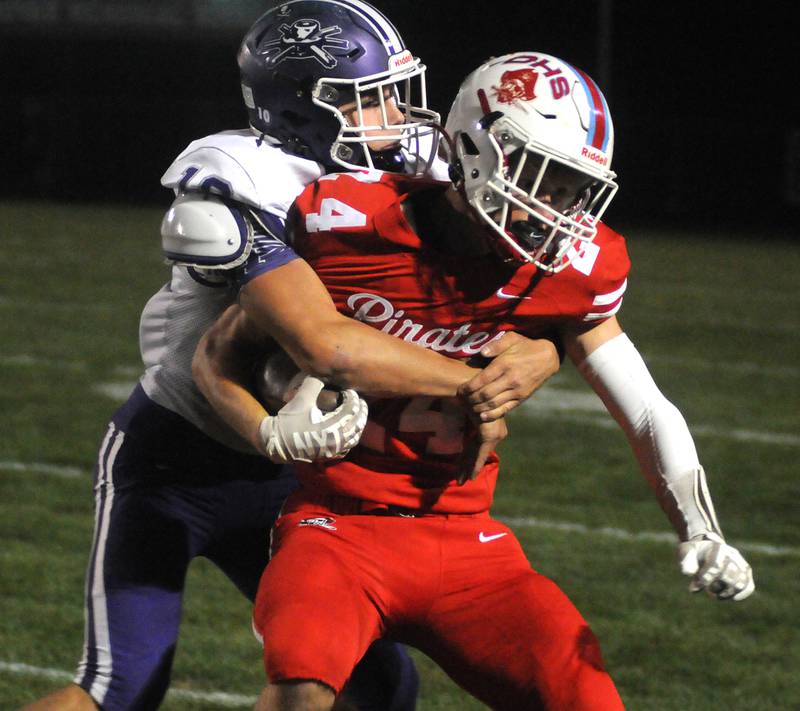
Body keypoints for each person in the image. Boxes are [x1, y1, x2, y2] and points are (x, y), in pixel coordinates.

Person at [19, 5, 560, 711]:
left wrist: (542, 346)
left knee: (380, 683)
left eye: (396, 92)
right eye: (372, 99)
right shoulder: (242, 179)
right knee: (124, 688)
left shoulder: (410, 172)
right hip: (174, 455)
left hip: (294, 473)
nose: (398, 116)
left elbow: (534, 285)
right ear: (306, 109)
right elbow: (320, 343)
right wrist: (478, 384)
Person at [194, 51, 756, 711]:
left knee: (586, 693)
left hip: (466, 541)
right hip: (336, 527)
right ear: (474, 148)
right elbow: (222, 355)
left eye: (574, 188)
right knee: (300, 684)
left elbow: (647, 411)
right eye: (546, 179)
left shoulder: (572, 271)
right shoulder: (342, 224)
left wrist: (700, 526)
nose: (559, 209)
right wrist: (267, 425)